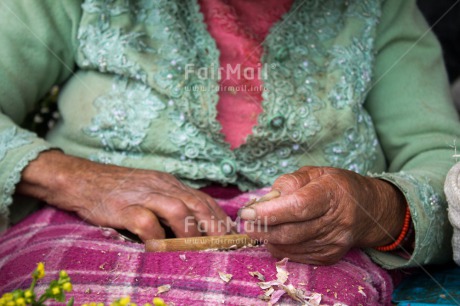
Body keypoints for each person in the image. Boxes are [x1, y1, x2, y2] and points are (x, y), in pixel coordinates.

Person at [0, 0, 459, 304]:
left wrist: (374, 205)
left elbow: (443, 158)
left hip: (318, 265)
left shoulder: (380, 8)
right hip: (81, 241)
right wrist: (73, 177)